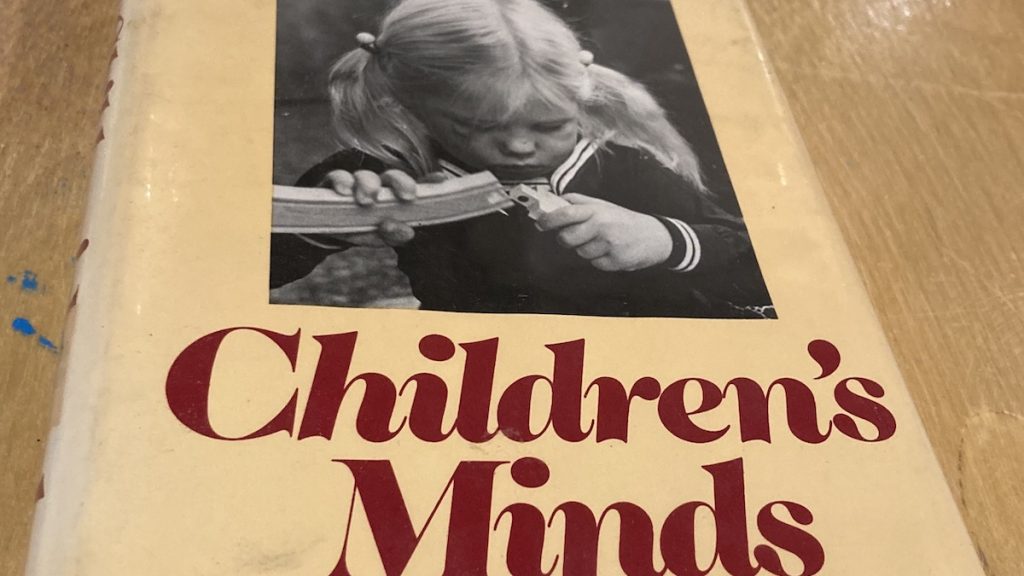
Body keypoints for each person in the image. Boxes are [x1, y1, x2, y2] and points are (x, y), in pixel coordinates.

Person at [271, 0, 774, 318]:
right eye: (480, 128)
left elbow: (762, 273)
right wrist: (326, 223)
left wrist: (663, 239)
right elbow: (253, 274)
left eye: (549, 125)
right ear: (413, 109)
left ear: (579, 98)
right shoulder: (383, 172)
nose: (518, 146)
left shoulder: (625, 163)